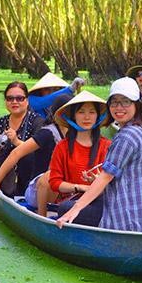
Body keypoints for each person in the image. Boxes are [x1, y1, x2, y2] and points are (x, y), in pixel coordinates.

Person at [56, 78, 142, 233]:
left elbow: (106, 176)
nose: (119, 107)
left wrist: (75, 209)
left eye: (125, 102)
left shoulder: (126, 136)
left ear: (136, 104)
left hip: (129, 221)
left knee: (66, 208)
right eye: (114, 102)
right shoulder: (137, 129)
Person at [0, 93, 72, 215]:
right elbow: (16, 153)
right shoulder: (47, 133)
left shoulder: (77, 134)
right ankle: (42, 215)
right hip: (39, 190)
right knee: (52, 175)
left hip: (66, 189)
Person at [48, 91, 113, 226]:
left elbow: (114, 183)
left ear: (98, 116)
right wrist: (81, 187)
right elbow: (55, 183)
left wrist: (97, 183)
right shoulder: (62, 147)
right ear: (73, 116)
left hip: (99, 202)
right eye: (81, 112)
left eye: (92, 112)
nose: (87, 117)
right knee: (65, 208)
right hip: (73, 201)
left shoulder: (107, 146)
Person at [0, 81, 46, 196]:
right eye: (10, 98)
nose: (14, 102)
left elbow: (39, 154)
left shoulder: (37, 121)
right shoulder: (3, 121)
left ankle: (11, 189)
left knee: (25, 158)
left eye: (19, 98)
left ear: (27, 101)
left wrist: (16, 141)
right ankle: (4, 187)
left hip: (27, 173)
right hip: (5, 171)